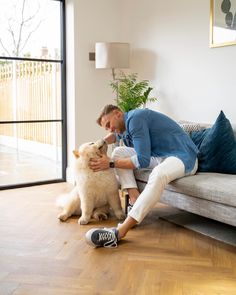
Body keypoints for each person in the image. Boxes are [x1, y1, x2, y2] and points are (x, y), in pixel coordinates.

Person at [85, 104, 198, 248]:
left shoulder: (136, 119)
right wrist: (101, 142)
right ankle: (134, 198)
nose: (110, 129)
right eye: (106, 127)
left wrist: (111, 164)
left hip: (183, 156)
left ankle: (119, 232)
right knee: (119, 151)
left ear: (117, 113)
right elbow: (114, 135)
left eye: (109, 124)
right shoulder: (123, 125)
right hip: (159, 156)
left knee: (158, 174)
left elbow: (143, 160)